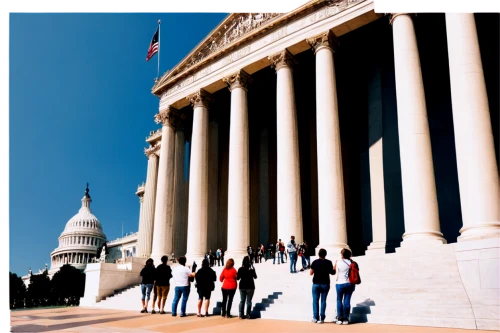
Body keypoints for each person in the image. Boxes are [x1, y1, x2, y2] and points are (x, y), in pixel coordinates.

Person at [309, 248, 335, 323]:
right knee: (323, 301)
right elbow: (333, 273)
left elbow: (310, 273)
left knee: (315, 301)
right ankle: (322, 318)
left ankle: (315, 317)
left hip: (316, 283)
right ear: (325, 255)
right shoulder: (328, 262)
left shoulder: (315, 262)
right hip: (325, 283)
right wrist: (334, 268)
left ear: (318, 254)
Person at [334, 249, 356, 325]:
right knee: (347, 300)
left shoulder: (338, 262)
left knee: (339, 300)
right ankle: (346, 318)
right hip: (349, 283)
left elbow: (334, 272)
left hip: (339, 283)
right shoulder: (352, 262)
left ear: (342, 255)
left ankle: (340, 318)